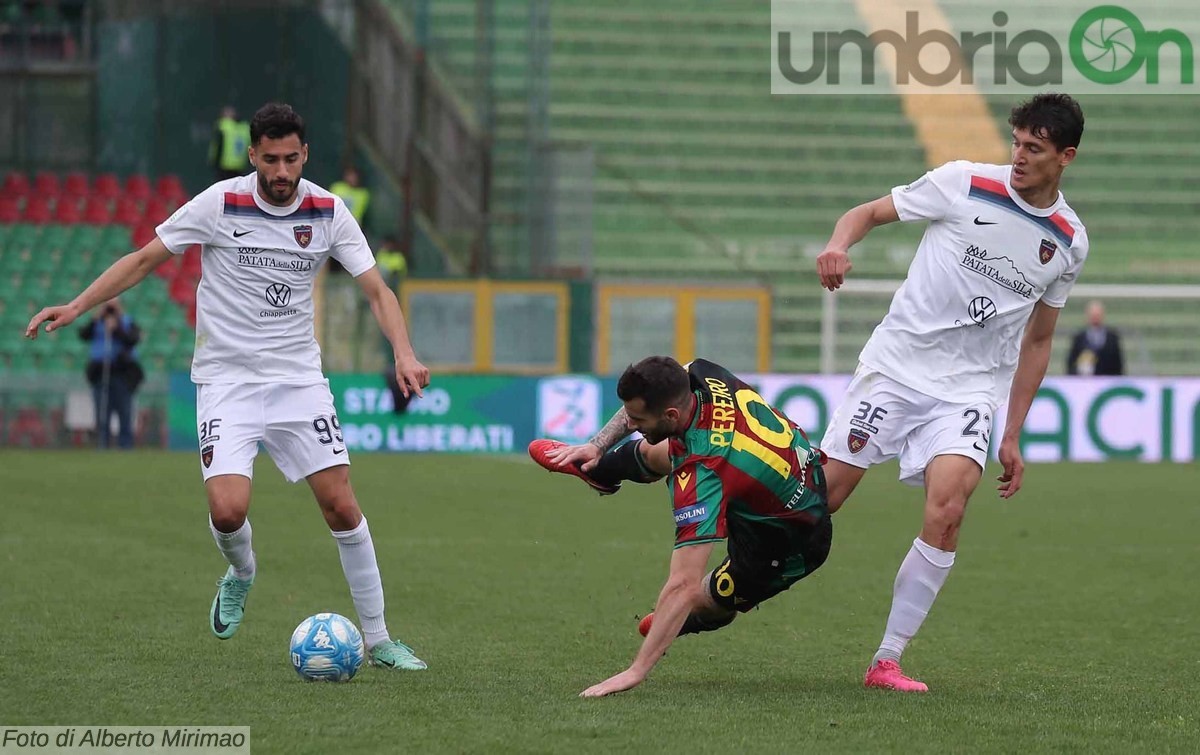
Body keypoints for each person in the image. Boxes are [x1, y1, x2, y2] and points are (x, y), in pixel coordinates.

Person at [27, 102, 431, 671]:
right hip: (227, 380)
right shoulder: (219, 203)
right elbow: (144, 260)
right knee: (227, 510)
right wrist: (77, 305)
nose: (282, 171)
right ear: (252, 156)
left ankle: (379, 637)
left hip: (297, 379)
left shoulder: (328, 210)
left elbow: (376, 290)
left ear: (305, 154)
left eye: (292, 158)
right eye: (271, 160)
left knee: (341, 506)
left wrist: (404, 351)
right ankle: (242, 572)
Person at [813, 93, 1088, 692]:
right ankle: (721, 587)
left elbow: (1039, 341)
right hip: (898, 367)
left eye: (1034, 149)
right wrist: (839, 245)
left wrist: (1011, 431)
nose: (1019, 157)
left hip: (969, 392)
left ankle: (887, 659)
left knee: (949, 511)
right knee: (822, 500)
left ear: (1064, 157)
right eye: (1016, 143)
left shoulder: (1068, 240)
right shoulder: (963, 182)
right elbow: (867, 212)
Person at [529, 356, 832, 698]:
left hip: (789, 542)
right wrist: (597, 444)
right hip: (790, 468)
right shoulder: (699, 374)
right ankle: (597, 468)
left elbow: (683, 582)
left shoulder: (703, 472)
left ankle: (683, 620)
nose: (630, 422)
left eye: (638, 419)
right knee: (665, 448)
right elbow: (655, 413)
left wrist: (635, 671)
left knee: (710, 598)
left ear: (671, 413)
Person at [78, 296, 143, 449]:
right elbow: (84, 334)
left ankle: (125, 445)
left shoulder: (127, 322)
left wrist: (118, 326)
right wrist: (98, 315)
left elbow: (132, 339)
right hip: (100, 373)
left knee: (124, 413)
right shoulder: (97, 323)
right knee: (102, 414)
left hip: (122, 373)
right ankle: (103, 445)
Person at [1067, 300, 1124, 376]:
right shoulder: (1079, 338)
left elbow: (1118, 364)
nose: (1095, 318)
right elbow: (1071, 363)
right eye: (1093, 315)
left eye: (1097, 315)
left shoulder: (1112, 338)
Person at [209, 105, 251, 181]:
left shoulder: (222, 126)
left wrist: (214, 163)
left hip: (224, 166)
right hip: (240, 167)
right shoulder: (245, 128)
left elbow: (217, 147)